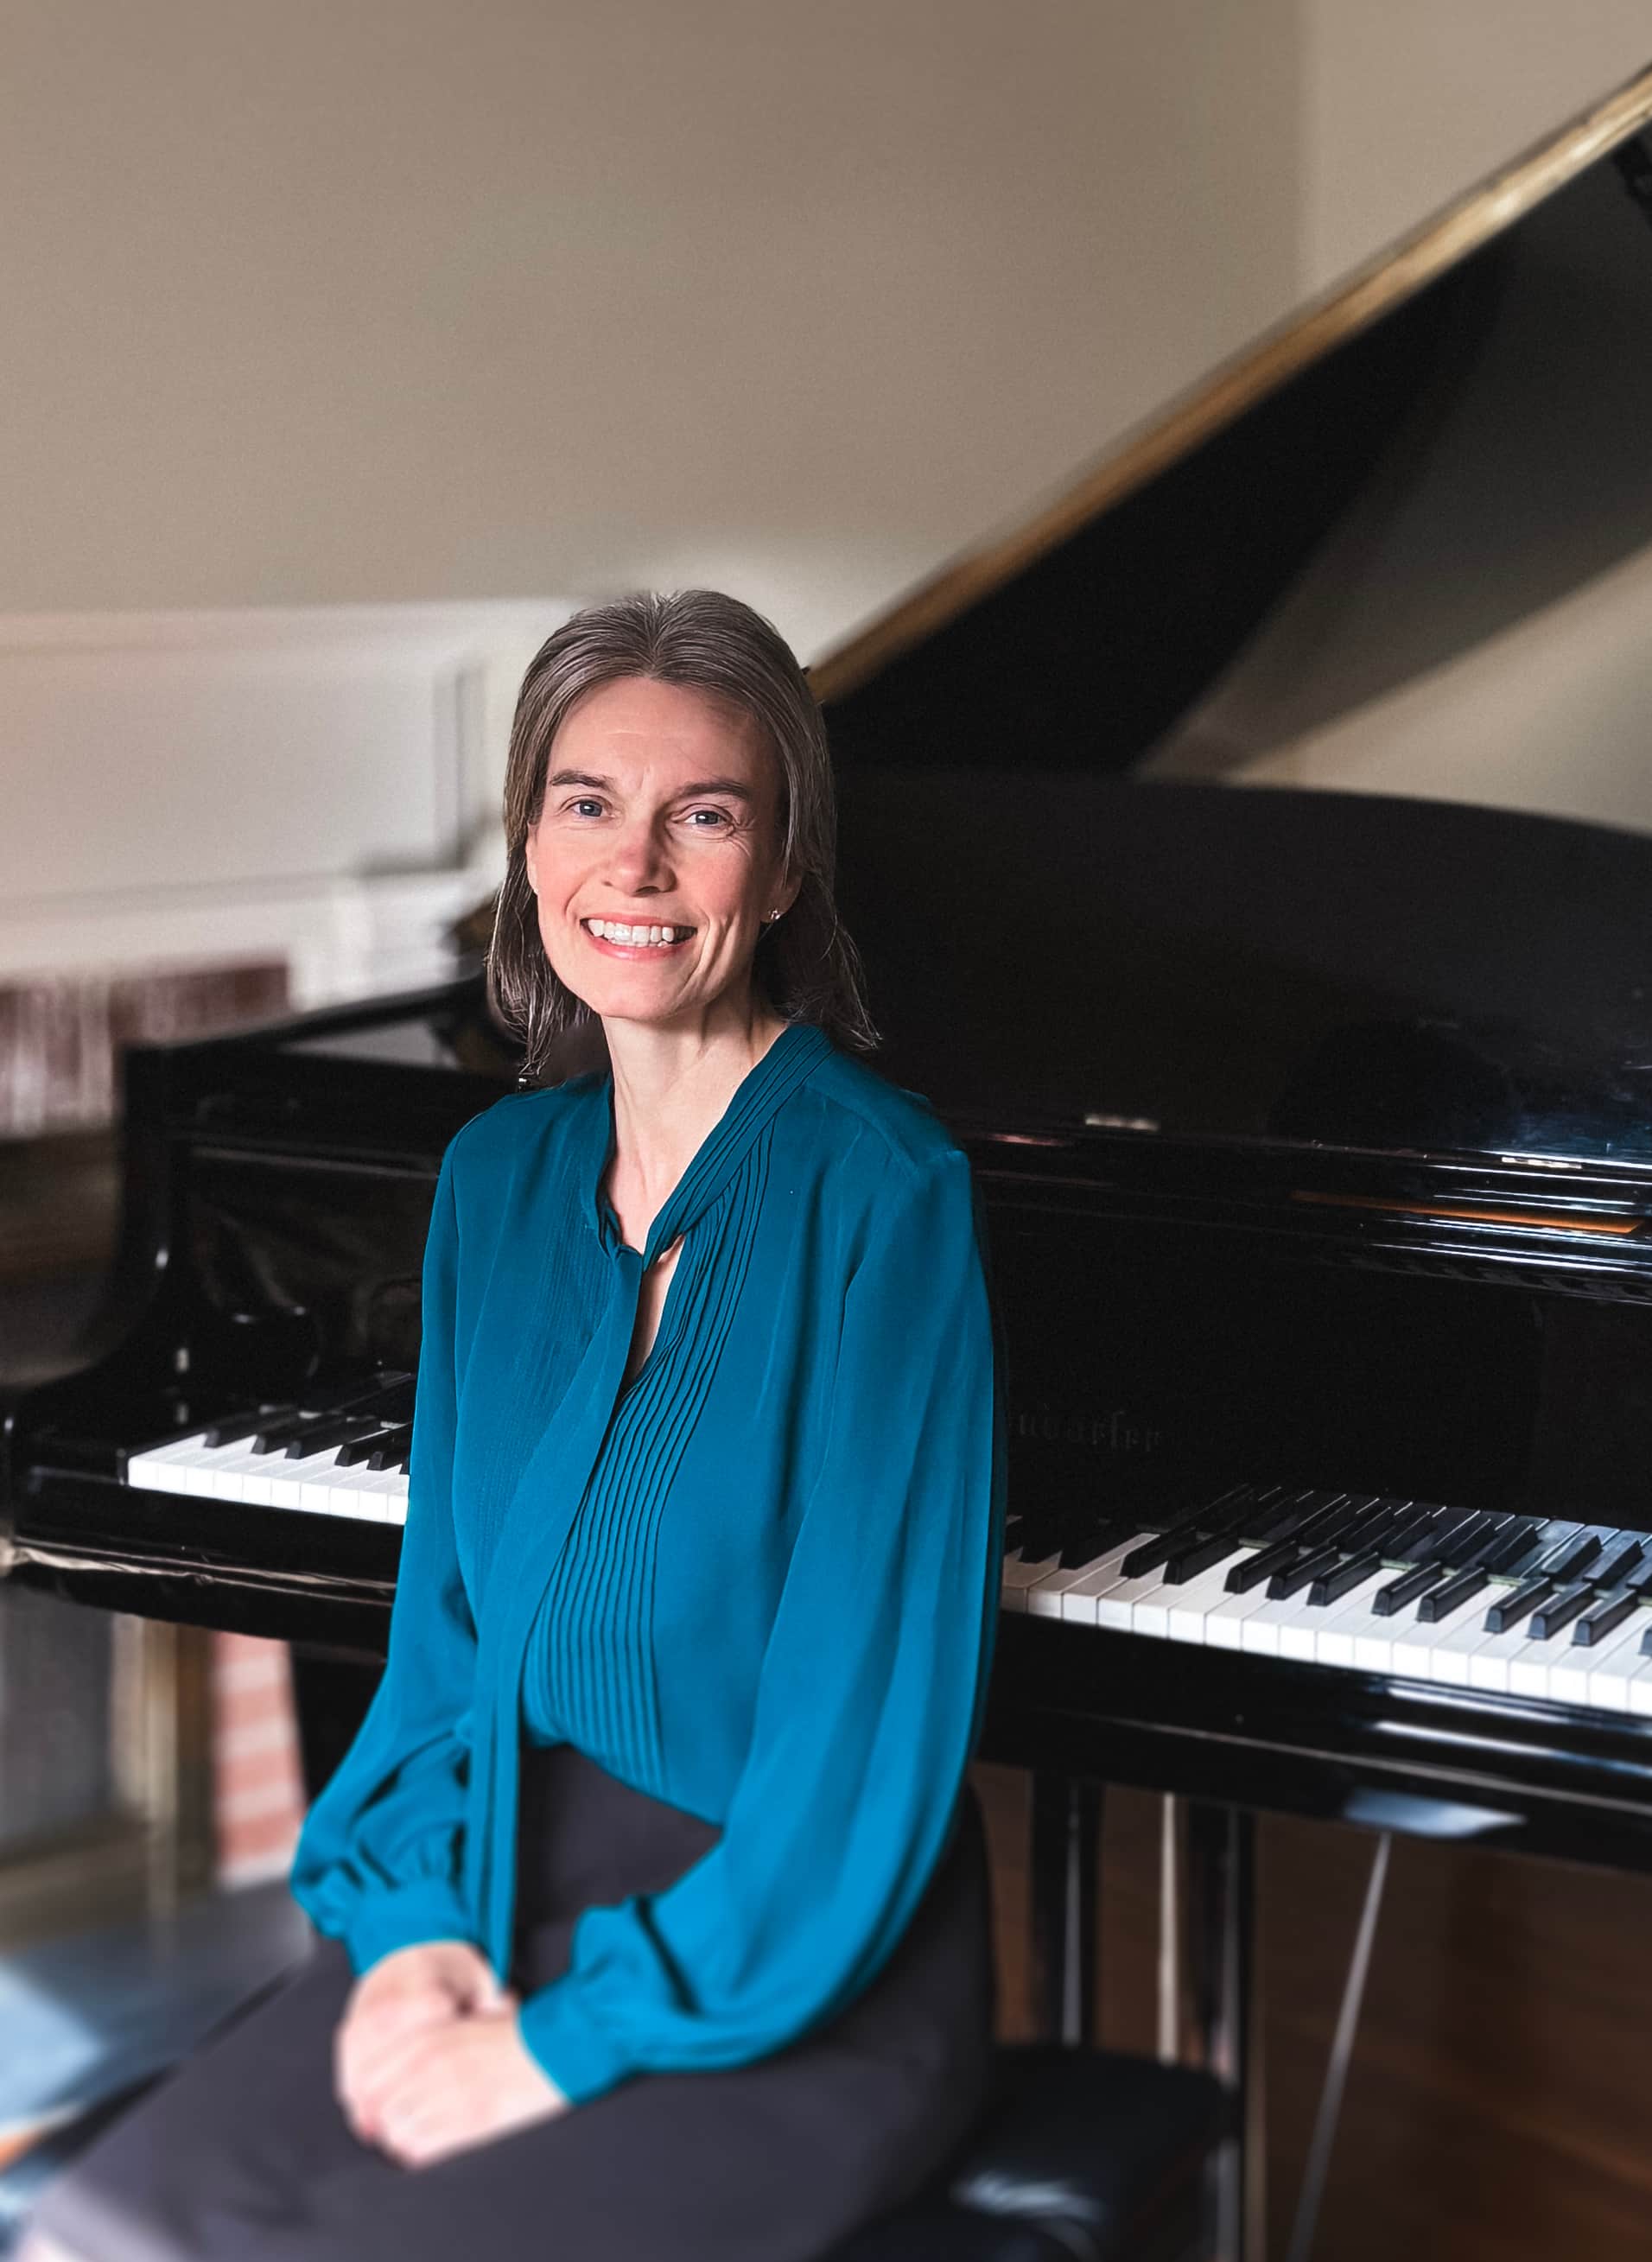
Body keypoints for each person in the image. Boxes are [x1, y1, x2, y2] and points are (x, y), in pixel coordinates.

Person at [23, 589, 1004, 2262]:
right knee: (105, 2229)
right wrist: (407, 1927)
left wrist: (550, 2047)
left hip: (790, 1942)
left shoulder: (887, 1196)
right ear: (531, 849)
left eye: (702, 816)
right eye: (586, 805)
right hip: (501, 1880)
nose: (633, 867)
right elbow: (442, 1642)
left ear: (775, 874)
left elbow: (857, 1747)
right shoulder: (497, 1179)